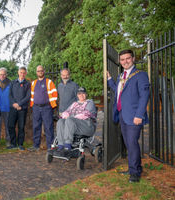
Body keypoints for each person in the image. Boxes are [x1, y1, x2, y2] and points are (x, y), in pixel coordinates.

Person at [107, 49, 150, 183]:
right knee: (128, 144)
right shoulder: (122, 76)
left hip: (134, 117)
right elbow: (119, 91)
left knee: (132, 144)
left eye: (127, 58)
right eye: (122, 59)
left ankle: (135, 173)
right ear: (120, 62)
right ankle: (134, 168)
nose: (125, 61)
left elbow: (144, 96)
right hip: (122, 115)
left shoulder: (140, 75)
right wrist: (109, 80)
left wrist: (139, 115)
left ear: (133, 59)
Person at [56, 87, 97, 155]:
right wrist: (65, 115)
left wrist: (71, 117)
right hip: (75, 125)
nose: (81, 95)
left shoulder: (90, 103)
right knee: (61, 121)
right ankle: (60, 146)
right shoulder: (75, 104)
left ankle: (67, 146)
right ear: (77, 95)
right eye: (79, 94)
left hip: (87, 126)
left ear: (86, 94)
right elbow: (66, 112)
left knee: (69, 120)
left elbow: (85, 114)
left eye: (83, 93)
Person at [28, 65, 58, 151]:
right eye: (38, 71)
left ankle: (50, 147)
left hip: (47, 108)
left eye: (41, 71)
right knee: (36, 127)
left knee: (48, 127)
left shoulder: (49, 82)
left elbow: (54, 94)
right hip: (36, 108)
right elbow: (32, 95)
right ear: (36, 72)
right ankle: (36, 146)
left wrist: (51, 104)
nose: (40, 72)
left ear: (43, 71)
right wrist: (32, 105)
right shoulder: (33, 83)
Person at [7, 67, 31, 150]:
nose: (22, 74)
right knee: (10, 125)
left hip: (22, 108)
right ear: (18, 72)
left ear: (26, 73)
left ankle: (20, 144)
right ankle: (13, 144)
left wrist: (19, 104)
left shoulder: (27, 84)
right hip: (13, 107)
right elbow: (10, 95)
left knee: (21, 127)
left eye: (24, 73)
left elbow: (28, 96)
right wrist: (14, 104)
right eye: (21, 72)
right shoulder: (13, 82)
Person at [0, 67, 11, 146]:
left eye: (4, 74)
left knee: (8, 125)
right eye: (1, 74)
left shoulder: (11, 83)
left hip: (7, 108)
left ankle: (8, 140)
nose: (2, 76)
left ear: (6, 75)